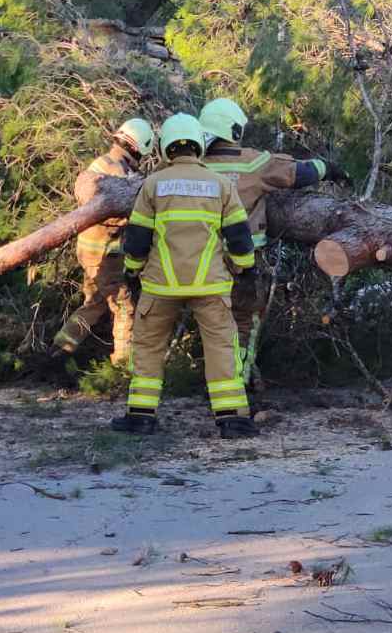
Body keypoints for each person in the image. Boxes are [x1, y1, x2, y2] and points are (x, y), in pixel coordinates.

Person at [112, 113, 260, 439]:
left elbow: (137, 240)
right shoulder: (220, 184)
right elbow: (239, 236)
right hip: (211, 284)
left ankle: (140, 416)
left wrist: (132, 272)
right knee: (222, 348)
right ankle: (232, 419)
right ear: (198, 144)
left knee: (148, 347)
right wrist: (244, 268)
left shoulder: (152, 184)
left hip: (160, 285)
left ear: (166, 146)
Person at [197, 97, 347, 384]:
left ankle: (212, 377)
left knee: (210, 324)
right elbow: (300, 173)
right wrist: (329, 167)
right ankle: (232, 385)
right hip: (243, 265)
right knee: (243, 323)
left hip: (196, 262)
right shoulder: (254, 163)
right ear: (234, 130)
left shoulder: (192, 167)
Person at [50, 118, 156, 365]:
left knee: (95, 303)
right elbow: (121, 216)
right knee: (124, 305)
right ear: (137, 147)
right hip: (105, 253)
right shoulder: (117, 174)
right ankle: (122, 366)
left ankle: (58, 352)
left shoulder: (103, 164)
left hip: (90, 250)